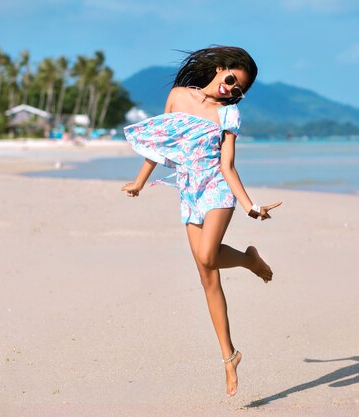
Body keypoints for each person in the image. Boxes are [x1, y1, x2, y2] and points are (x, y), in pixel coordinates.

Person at [121, 45, 282, 397]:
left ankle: (246, 260)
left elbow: (228, 166)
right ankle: (230, 357)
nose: (230, 89)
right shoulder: (178, 96)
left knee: (209, 256)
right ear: (220, 68)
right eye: (230, 79)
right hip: (189, 189)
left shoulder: (229, 115)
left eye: (238, 89)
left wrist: (250, 205)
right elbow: (160, 145)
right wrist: (139, 182)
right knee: (207, 276)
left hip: (217, 190)